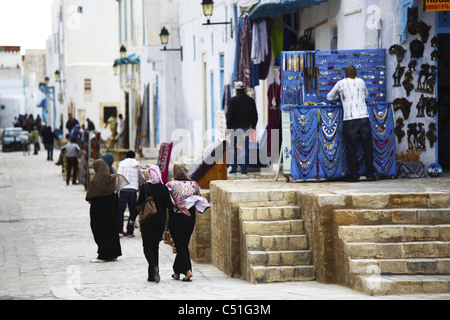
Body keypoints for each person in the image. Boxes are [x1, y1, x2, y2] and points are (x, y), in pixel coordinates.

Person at [327, 65, 376, 182]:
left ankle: (355, 175)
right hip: (364, 117)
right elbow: (366, 96)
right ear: (356, 73)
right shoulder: (361, 82)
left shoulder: (341, 83)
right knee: (367, 147)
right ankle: (370, 174)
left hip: (350, 119)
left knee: (351, 148)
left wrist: (340, 97)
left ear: (345, 74)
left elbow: (329, 97)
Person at [129, 165, 175, 283]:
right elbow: (170, 206)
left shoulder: (145, 187)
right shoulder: (164, 188)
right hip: (160, 221)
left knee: (147, 247)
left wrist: (132, 218)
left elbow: (138, 204)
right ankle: (152, 275)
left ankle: (154, 266)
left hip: (147, 220)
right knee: (155, 246)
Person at [86, 159, 128, 263]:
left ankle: (103, 255)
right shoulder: (111, 179)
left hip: (98, 211)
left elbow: (88, 196)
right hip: (111, 210)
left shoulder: (96, 180)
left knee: (99, 231)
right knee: (111, 230)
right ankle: (113, 253)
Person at [166, 164, 201, 282]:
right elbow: (199, 198)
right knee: (183, 244)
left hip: (176, 218)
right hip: (190, 218)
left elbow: (169, 203)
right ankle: (176, 272)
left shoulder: (170, 185)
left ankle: (187, 270)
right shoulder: (194, 184)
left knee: (181, 245)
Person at [226, 81, 258, 178]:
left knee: (233, 148)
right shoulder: (250, 100)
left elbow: (229, 115)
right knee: (245, 148)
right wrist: (253, 126)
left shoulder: (233, 100)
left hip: (235, 127)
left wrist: (228, 127)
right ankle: (244, 170)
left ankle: (234, 168)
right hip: (246, 127)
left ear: (236, 90)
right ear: (244, 89)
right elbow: (255, 115)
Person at [117, 150, 146, 237]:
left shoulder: (122, 163)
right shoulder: (136, 165)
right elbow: (142, 178)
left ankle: (119, 231)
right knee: (132, 212)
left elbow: (119, 176)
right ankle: (130, 231)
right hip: (133, 190)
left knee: (120, 211)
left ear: (125, 156)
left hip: (123, 190)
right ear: (134, 157)